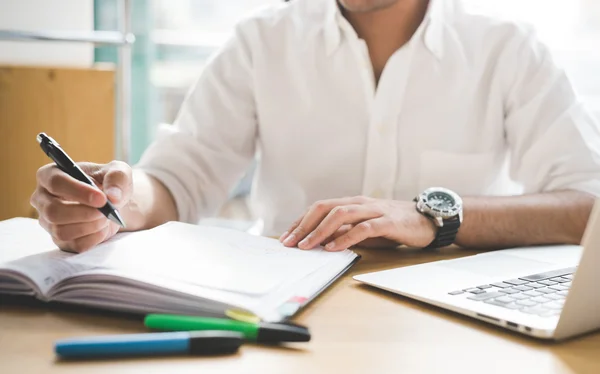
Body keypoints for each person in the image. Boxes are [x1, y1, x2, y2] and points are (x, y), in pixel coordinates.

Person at [31, 0, 600, 254]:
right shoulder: (263, 40)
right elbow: (179, 183)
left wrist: (434, 216)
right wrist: (115, 198)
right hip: (284, 313)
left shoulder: (507, 46)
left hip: (456, 321)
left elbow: (588, 203)